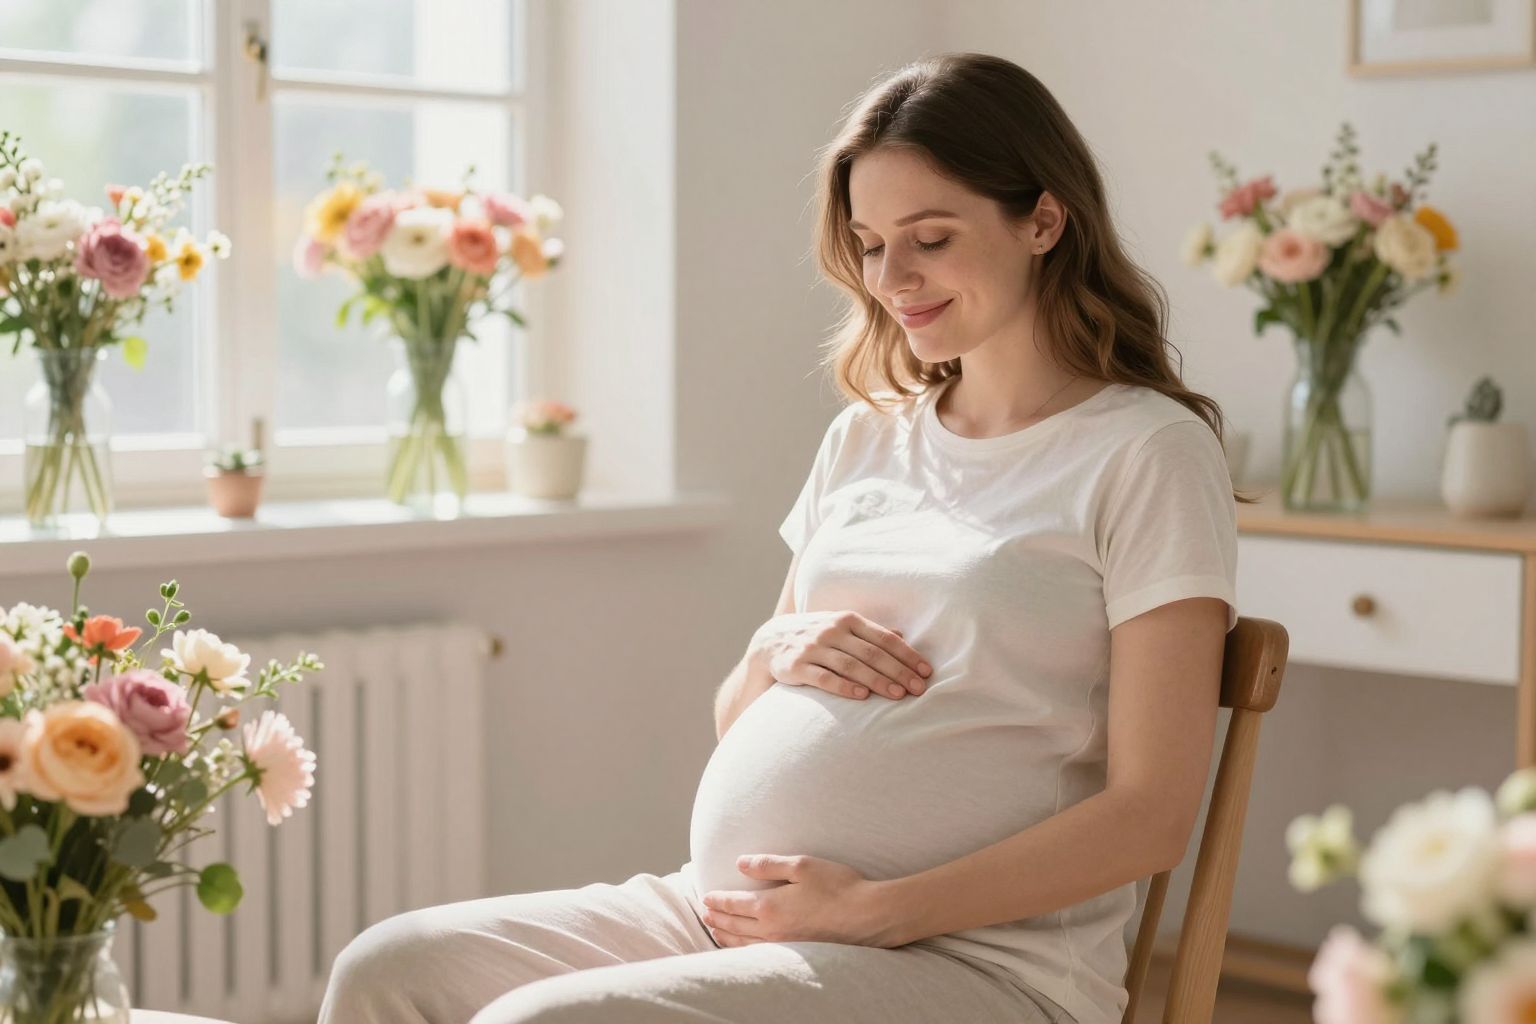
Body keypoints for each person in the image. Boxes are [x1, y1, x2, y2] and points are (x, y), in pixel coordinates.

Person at [318, 50, 1248, 1024]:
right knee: (390, 967)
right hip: (727, 915)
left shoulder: (1147, 452)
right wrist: (771, 651)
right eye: (871, 241)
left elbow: (1153, 812)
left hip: (979, 964)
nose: (893, 277)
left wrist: (880, 910)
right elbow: (740, 715)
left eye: (930, 237)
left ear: (1044, 221)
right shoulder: (868, 436)